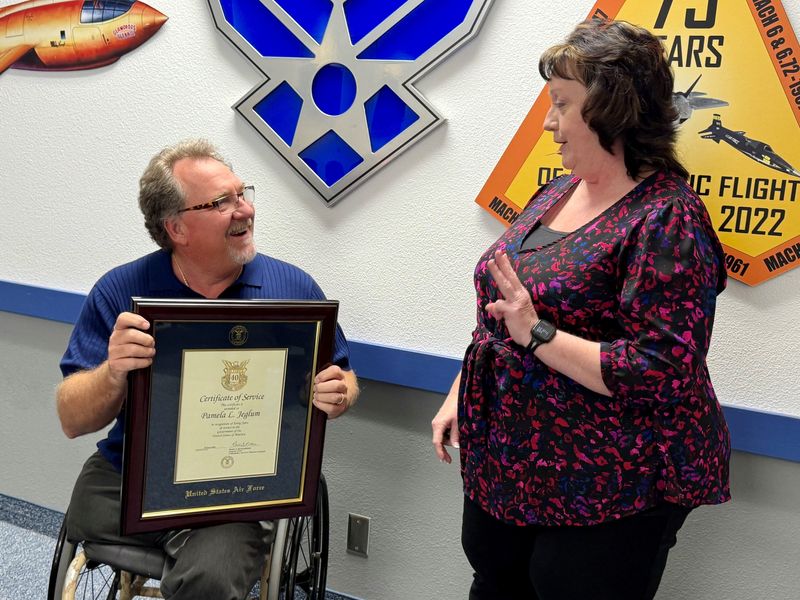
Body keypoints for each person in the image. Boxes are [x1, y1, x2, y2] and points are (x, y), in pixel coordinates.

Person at [431, 18, 729, 600]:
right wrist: (459, 391)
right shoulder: (555, 193)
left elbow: (661, 368)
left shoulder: (667, 216)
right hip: (515, 458)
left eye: (561, 105)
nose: (549, 123)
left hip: (614, 476)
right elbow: (500, 313)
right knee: (496, 581)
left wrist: (536, 332)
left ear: (612, 112)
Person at [56, 139, 359, 599]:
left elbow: (344, 377)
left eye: (242, 193)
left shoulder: (291, 288)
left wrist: (340, 393)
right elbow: (72, 418)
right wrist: (114, 371)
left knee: (211, 577)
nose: (245, 210)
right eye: (222, 202)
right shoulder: (122, 290)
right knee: (95, 518)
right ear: (176, 228)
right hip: (130, 475)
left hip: (239, 490)